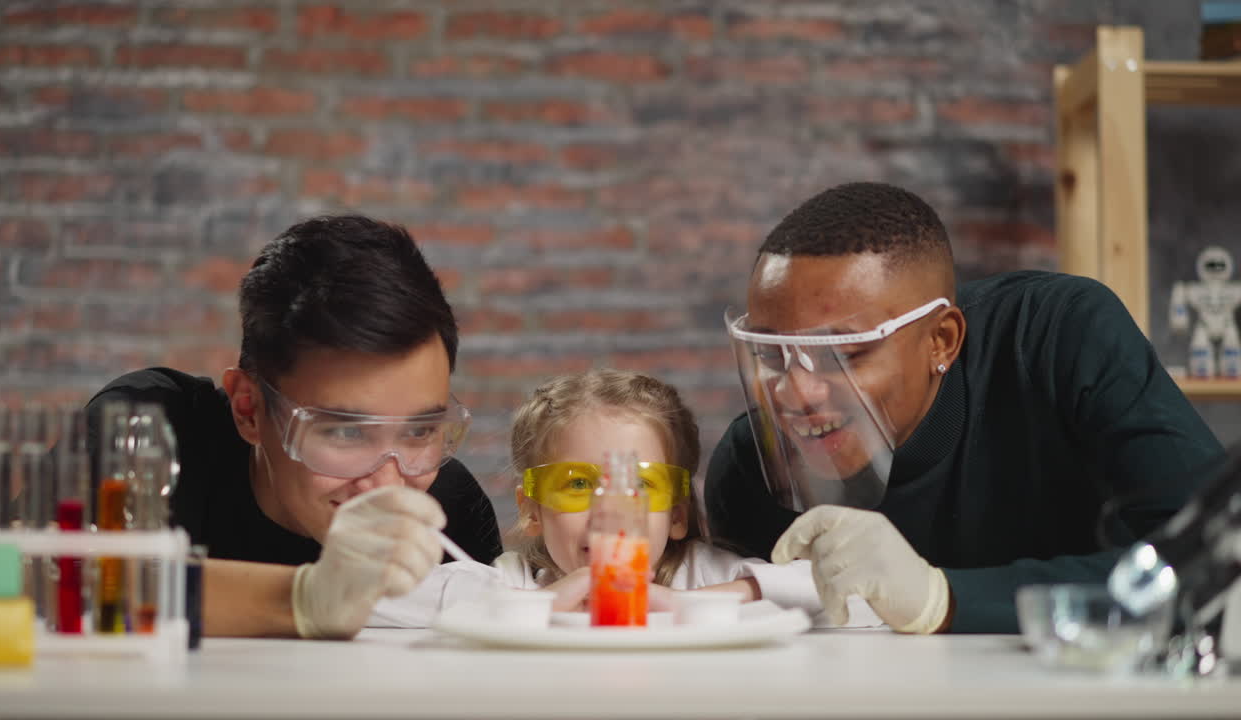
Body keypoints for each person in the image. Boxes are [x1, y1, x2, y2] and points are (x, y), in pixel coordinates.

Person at [706, 182, 1225, 634]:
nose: (796, 394)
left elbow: (1214, 559)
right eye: (769, 354)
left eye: (842, 354)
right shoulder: (747, 471)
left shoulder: (1060, 338)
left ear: (942, 341)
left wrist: (943, 598)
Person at [85, 215, 501, 639]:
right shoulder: (149, 433)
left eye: (419, 431)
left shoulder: (451, 507)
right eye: (346, 432)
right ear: (249, 409)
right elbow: (60, 579)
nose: (388, 484)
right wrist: (304, 600)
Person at [367, 369, 881, 628]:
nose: (607, 514)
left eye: (639, 487)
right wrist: (537, 608)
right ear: (531, 510)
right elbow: (376, 601)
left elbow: (859, 598)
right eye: (577, 484)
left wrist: (696, 604)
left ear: (676, 515)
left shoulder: (705, 575)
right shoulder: (516, 581)